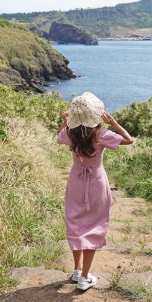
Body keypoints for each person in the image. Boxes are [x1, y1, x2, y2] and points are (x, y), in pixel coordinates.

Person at [57, 92, 134, 290]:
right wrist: (113, 122)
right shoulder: (100, 135)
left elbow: (59, 138)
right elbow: (129, 140)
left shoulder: (69, 133)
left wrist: (65, 122)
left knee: (75, 222)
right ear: (95, 115)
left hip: (76, 180)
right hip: (96, 182)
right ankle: (84, 277)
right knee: (93, 225)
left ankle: (76, 270)